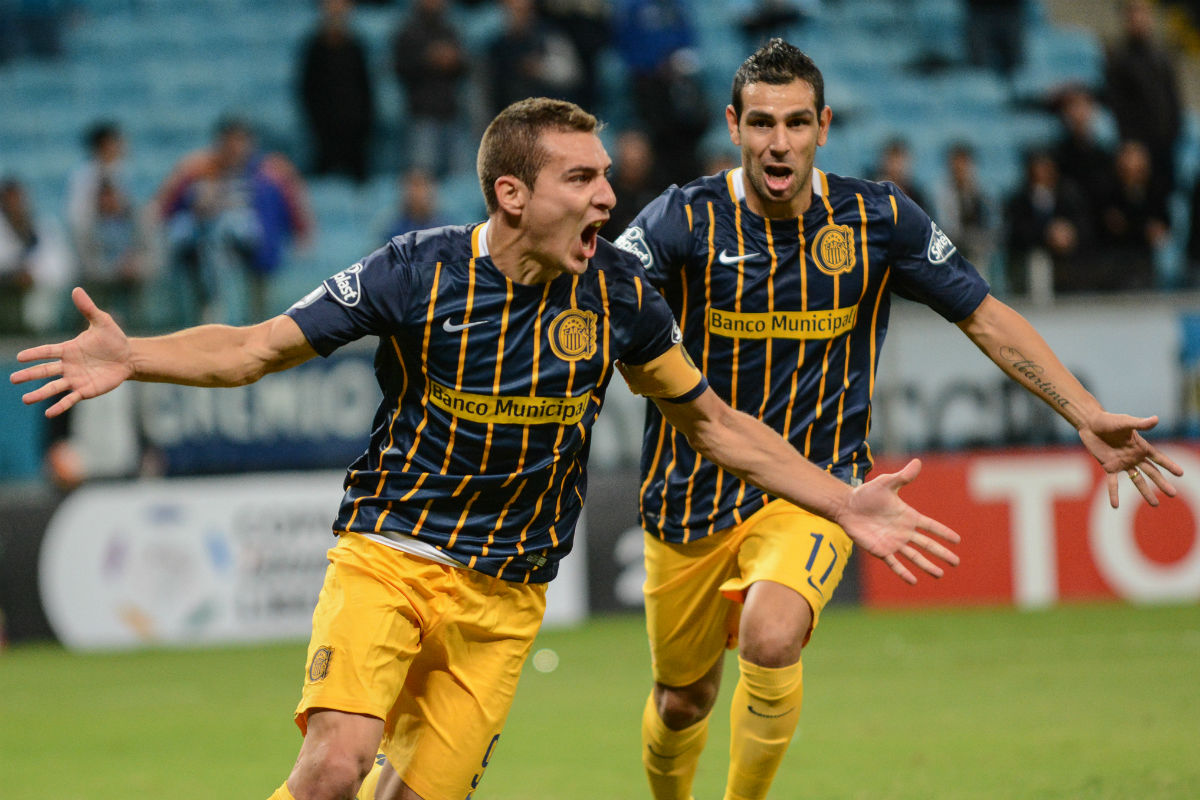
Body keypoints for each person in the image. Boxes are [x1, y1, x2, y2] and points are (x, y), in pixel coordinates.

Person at [12, 97, 964, 800]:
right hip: (389, 554)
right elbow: (255, 348)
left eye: (605, 176)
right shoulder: (413, 272)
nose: (608, 195)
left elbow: (712, 421)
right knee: (335, 768)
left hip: (505, 600)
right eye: (581, 179)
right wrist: (134, 356)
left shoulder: (620, 298)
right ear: (512, 194)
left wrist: (839, 497)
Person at [614, 39, 1181, 800]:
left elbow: (983, 315)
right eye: (761, 123)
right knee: (682, 701)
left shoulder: (876, 217)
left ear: (824, 127)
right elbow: (602, 299)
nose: (778, 142)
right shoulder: (682, 218)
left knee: (771, 636)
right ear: (733, 125)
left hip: (819, 489)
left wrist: (1082, 410)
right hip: (688, 494)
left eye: (796, 122)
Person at [155, 115, 313, 326]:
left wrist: (302, 232)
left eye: (240, 141)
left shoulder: (272, 171)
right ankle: (211, 315)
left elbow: (295, 206)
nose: (235, 148)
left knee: (225, 233)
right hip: (205, 244)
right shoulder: (198, 168)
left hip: (255, 242)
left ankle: (244, 321)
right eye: (229, 141)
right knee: (202, 243)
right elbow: (164, 207)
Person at [1104, 0, 1183, 199]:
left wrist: (1174, 132)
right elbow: (1118, 106)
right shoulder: (1119, 59)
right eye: (1134, 15)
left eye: (1143, 14)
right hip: (1138, 147)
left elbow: (1173, 98)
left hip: (1165, 143)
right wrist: (1130, 143)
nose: (1139, 20)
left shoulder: (1162, 56)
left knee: (1164, 198)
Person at [298, 0, 376, 184]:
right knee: (323, 180)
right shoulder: (313, 47)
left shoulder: (356, 45)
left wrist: (364, 121)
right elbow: (306, 88)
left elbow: (366, 88)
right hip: (323, 130)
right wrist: (316, 121)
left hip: (355, 129)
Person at [391, 0, 470, 178]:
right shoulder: (407, 31)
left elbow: (466, 67)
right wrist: (429, 58)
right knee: (423, 176)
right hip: (421, 117)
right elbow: (400, 67)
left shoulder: (451, 30)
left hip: (452, 114)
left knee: (460, 180)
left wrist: (454, 60)